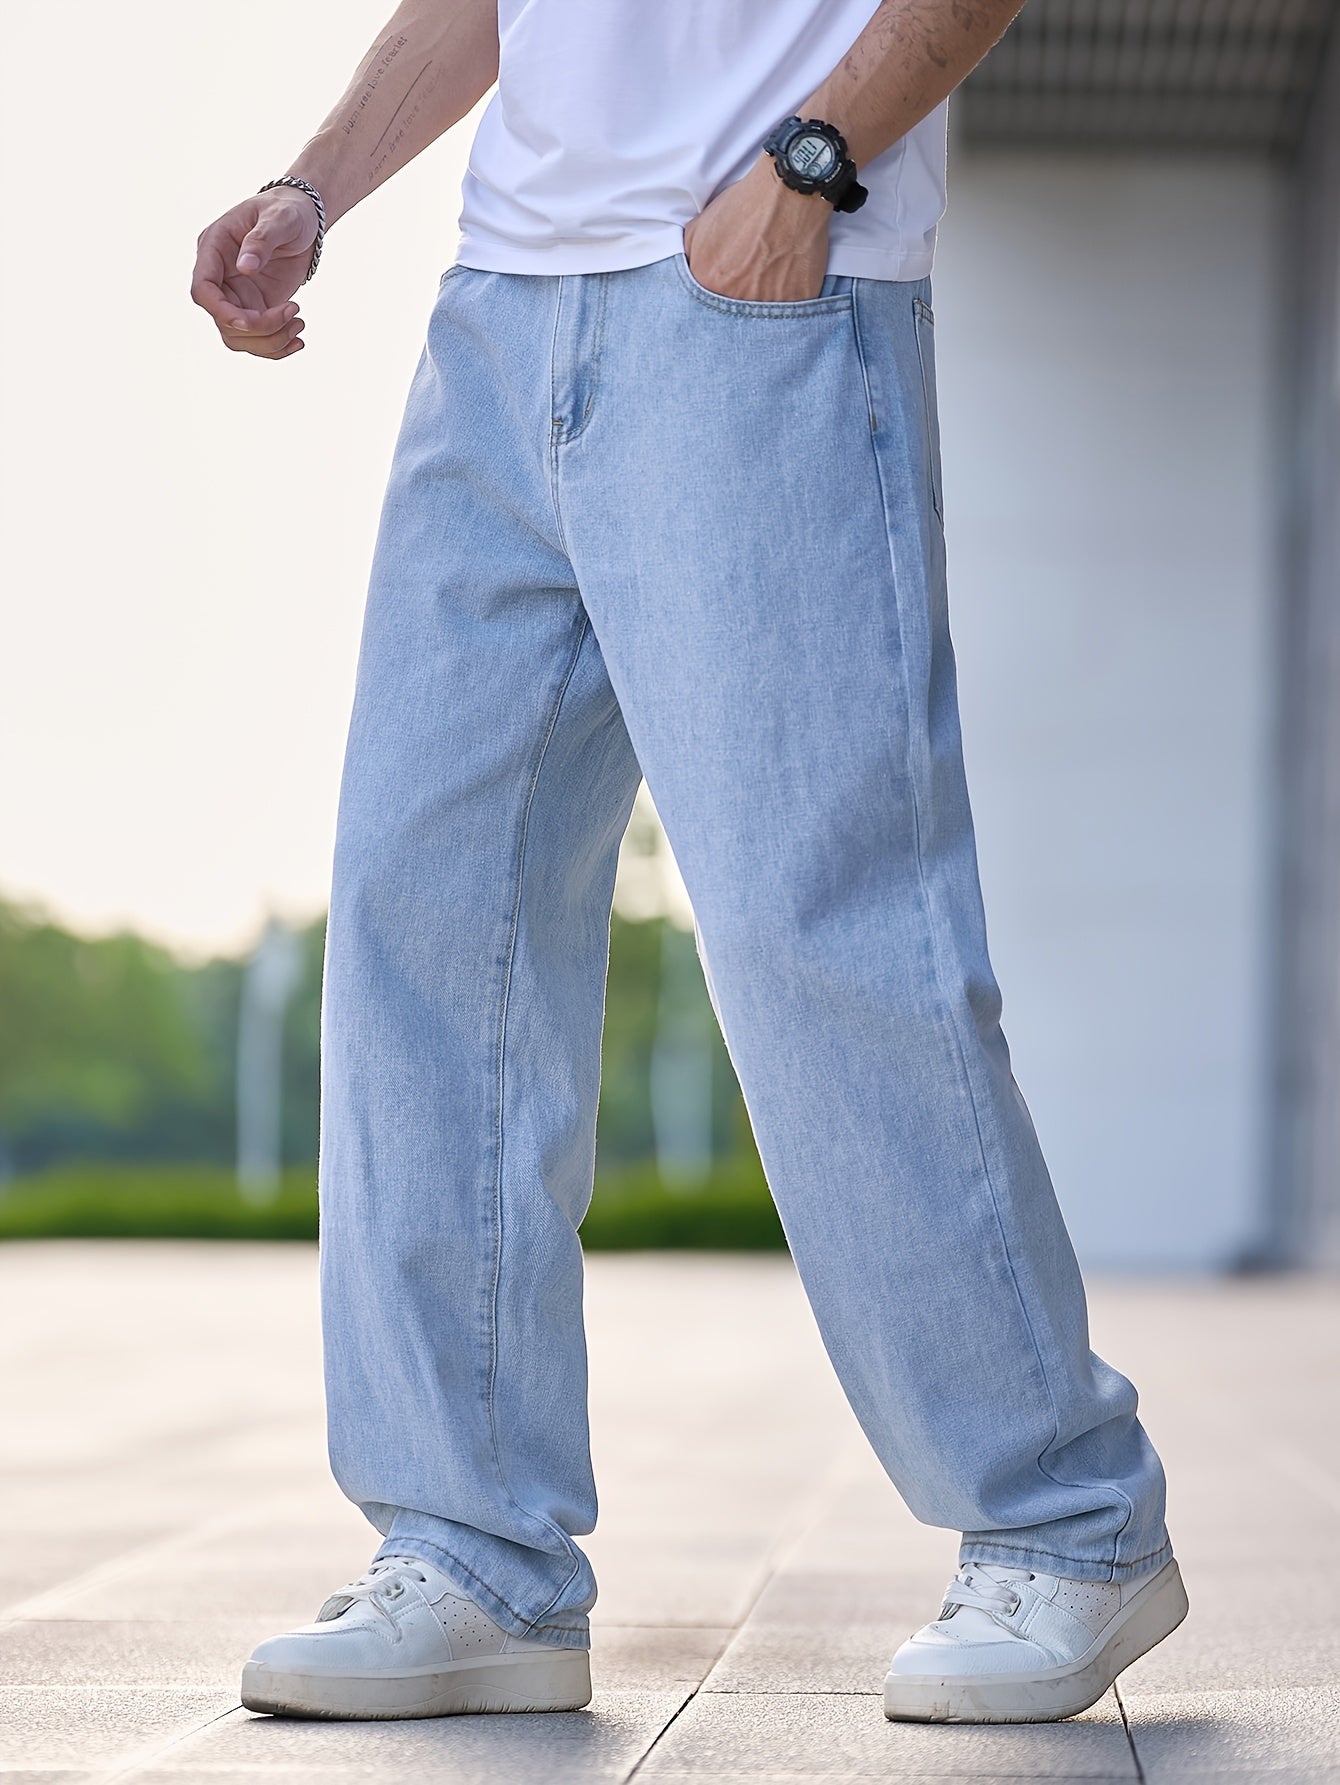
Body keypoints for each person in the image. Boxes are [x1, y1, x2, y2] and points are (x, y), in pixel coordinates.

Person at [191, 0, 1187, 1727]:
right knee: (425, 920)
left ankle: (1065, 1522)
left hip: (765, 284)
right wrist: (315, 188)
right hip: (498, 319)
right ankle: (474, 1553)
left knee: (823, 932)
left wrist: (812, 164)